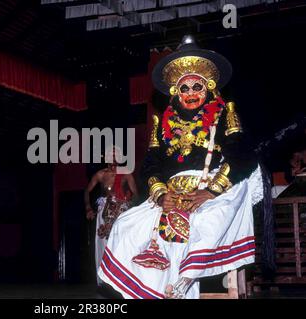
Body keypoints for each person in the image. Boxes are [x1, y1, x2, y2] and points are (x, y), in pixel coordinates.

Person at [97, 35, 264, 299]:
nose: (190, 93)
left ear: (208, 87)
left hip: (212, 186)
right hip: (171, 193)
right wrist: (163, 196)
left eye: (196, 86)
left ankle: (183, 282)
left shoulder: (223, 115)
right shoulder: (162, 124)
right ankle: (152, 291)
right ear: (175, 92)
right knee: (127, 225)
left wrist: (211, 192)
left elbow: (243, 156)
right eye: (184, 88)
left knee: (206, 221)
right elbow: (151, 167)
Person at [84, 146, 138, 285]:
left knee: (120, 244)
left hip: (121, 213)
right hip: (104, 213)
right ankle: (103, 279)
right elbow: (87, 191)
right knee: (103, 244)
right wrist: (88, 208)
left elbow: (136, 194)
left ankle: (121, 280)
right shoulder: (100, 174)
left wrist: (128, 201)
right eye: (110, 155)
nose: (113, 158)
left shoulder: (126, 173)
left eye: (116, 155)